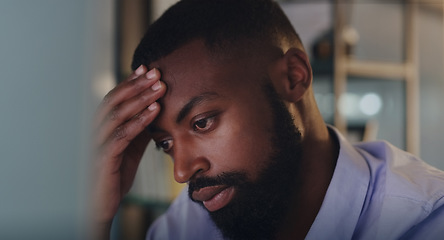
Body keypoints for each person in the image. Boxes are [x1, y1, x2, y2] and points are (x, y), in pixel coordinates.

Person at [93, 0, 444, 239]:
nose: (182, 171)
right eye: (165, 144)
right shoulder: (188, 224)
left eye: (202, 123)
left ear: (293, 77)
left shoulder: (425, 223)